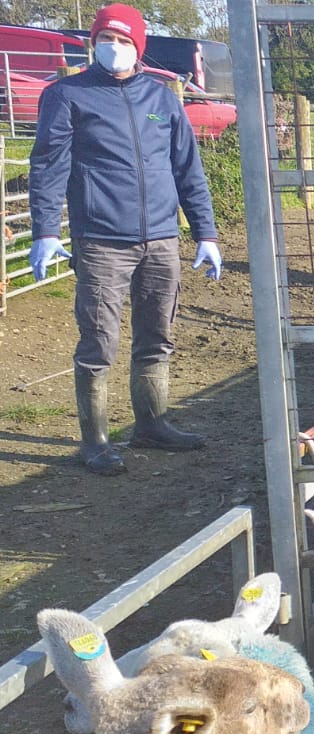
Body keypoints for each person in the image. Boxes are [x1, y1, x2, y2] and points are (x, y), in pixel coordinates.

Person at [28, 3, 222, 476]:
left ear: (138, 46)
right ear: (94, 43)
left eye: (122, 41)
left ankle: (151, 424)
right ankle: (94, 440)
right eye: (104, 40)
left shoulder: (162, 99)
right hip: (101, 241)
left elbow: (187, 170)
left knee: (157, 335)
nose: (112, 48)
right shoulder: (67, 94)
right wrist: (46, 230)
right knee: (98, 340)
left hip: (160, 239)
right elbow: (48, 167)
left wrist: (206, 233)